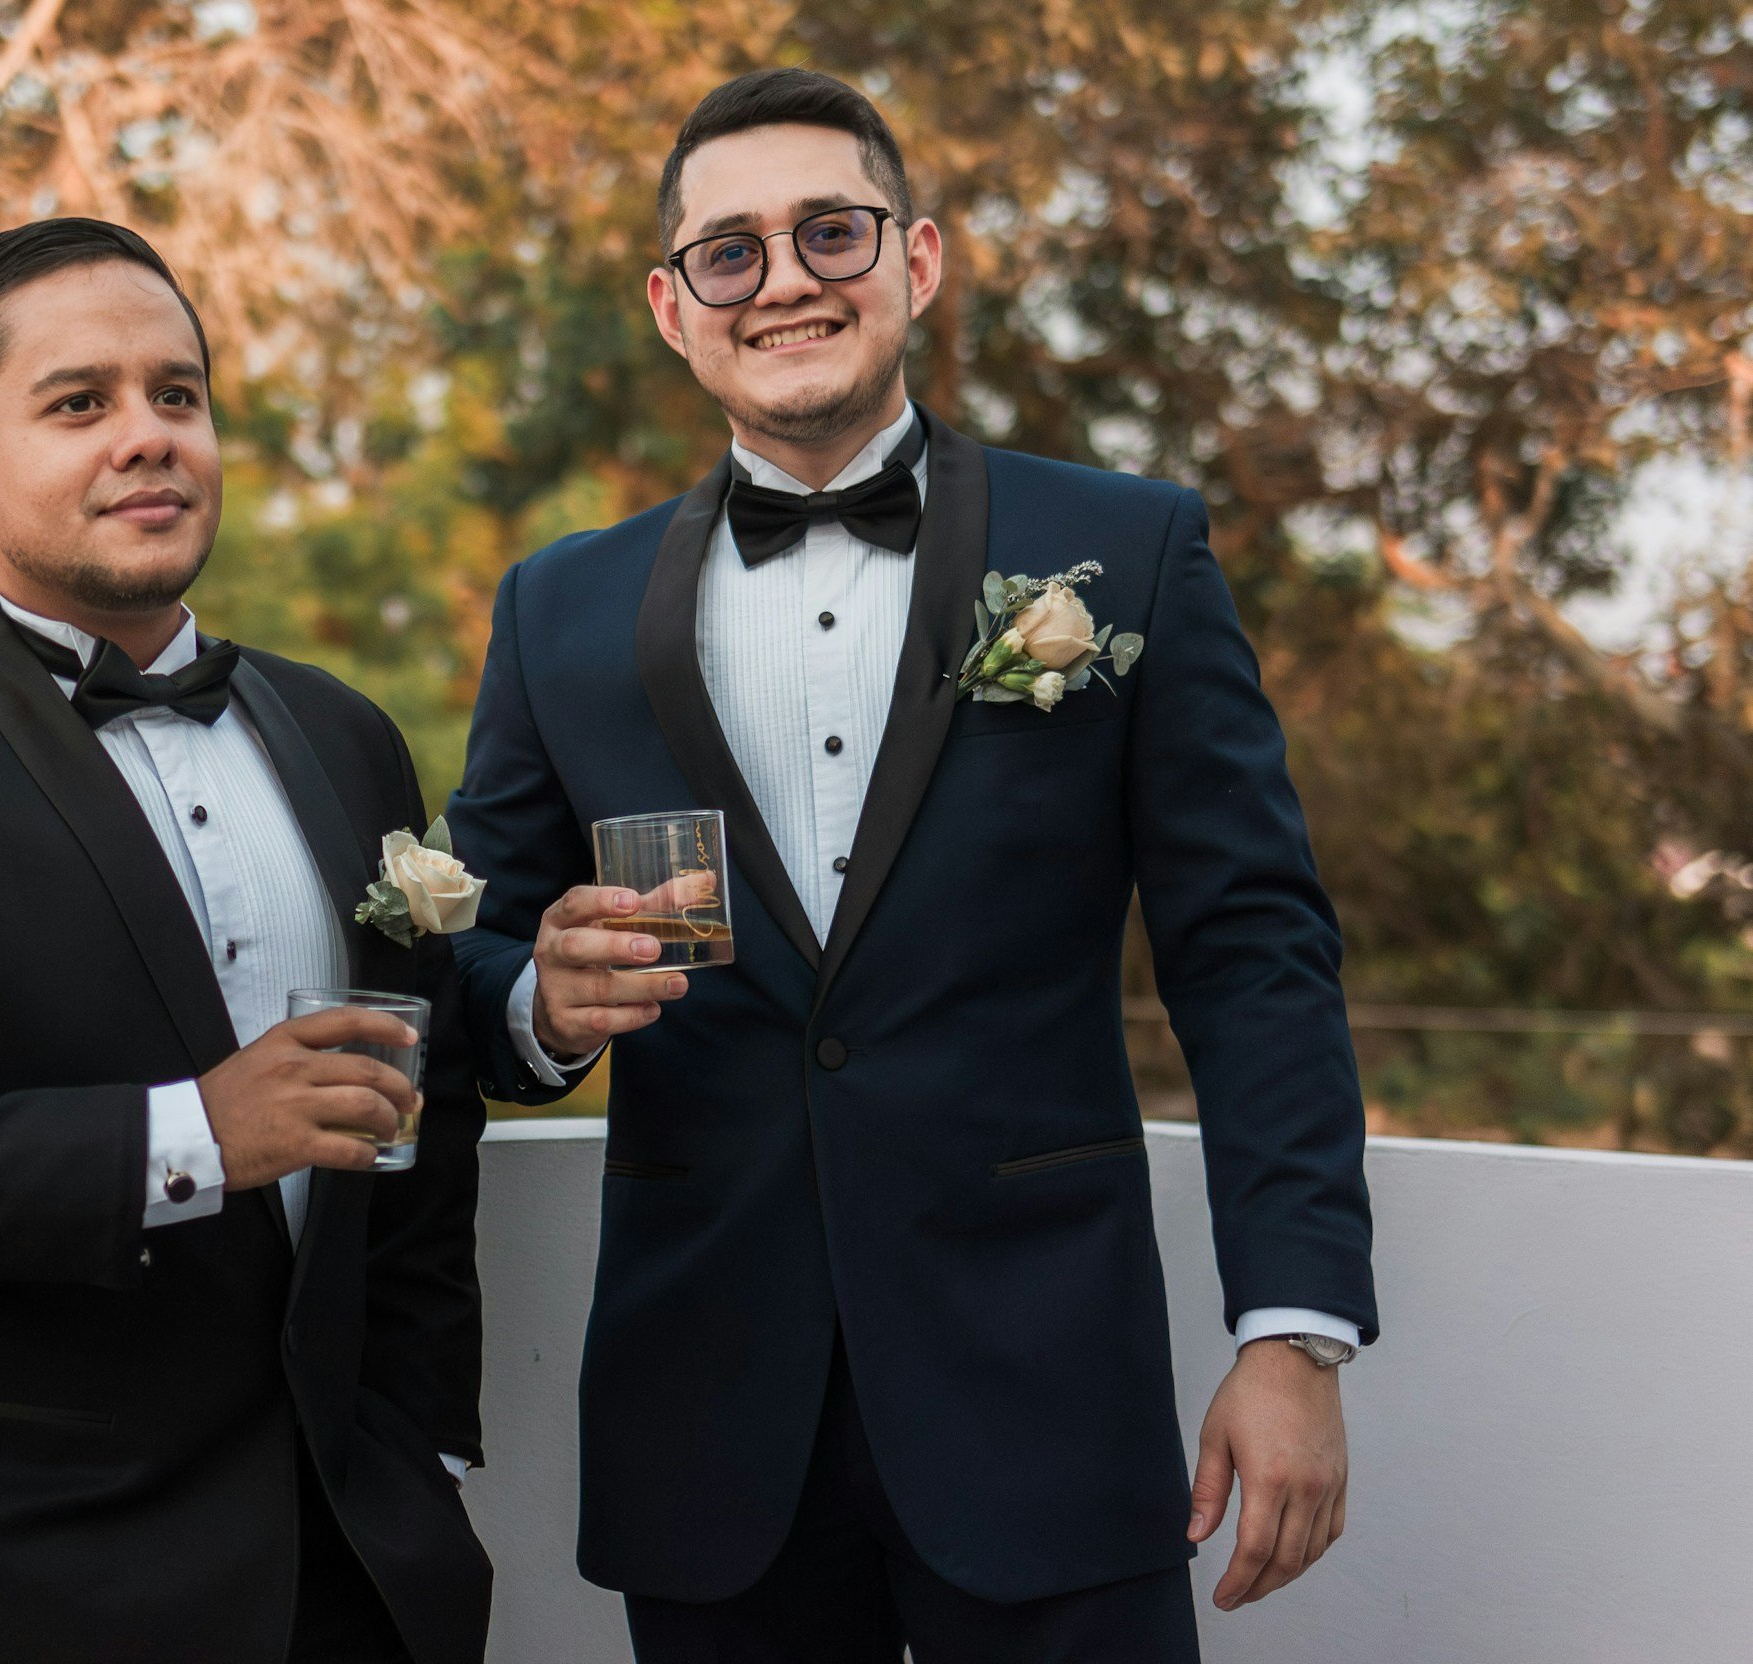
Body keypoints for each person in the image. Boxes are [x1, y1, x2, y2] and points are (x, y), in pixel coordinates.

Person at [446, 69, 1378, 1663]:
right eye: (730, 252)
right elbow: (467, 963)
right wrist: (540, 1001)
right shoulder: (558, 610)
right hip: (709, 1427)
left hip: (1048, 1404)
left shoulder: (1131, 547)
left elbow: (1252, 951)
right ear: (675, 309)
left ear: (919, 259)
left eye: (832, 229)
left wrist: (1294, 1332)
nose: (787, 277)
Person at [0, 218, 489, 1664]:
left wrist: (417, 1458)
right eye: (79, 403)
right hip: (4, 1586)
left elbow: (414, 1121)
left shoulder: (346, 736)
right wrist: (194, 1135)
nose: (149, 438)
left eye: (178, 395)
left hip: (349, 1579)